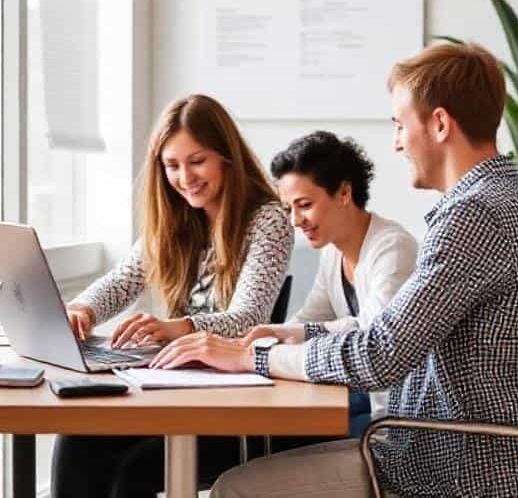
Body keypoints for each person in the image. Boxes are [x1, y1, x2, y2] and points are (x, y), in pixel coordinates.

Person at [161, 43, 518, 498]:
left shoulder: (474, 216)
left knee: (236, 488)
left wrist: (253, 357)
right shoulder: (498, 199)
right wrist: (294, 338)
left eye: (399, 124)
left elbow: (380, 354)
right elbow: (386, 333)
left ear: (440, 123)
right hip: (443, 449)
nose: (396, 142)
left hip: (453, 467)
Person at [51, 94, 294, 498]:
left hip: (236, 401)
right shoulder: (179, 217)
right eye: (172, 165)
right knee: (77, 440)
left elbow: (248, 318)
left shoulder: (267, 219)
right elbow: (123, 279)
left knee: (136, 468)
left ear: (226, 156)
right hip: (178, 385)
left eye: (197, 161)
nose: (185, 177)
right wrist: (84, 308)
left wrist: (173, 328)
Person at [245, 131, 417, 446]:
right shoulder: (332, 252)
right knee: (269, 434)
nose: (295, 220)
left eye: (305, 205)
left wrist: (296, 334)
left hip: (396, 416)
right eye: (289, 208)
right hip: (364, 397)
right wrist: (274, 333)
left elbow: (373, 335)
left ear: (343, 193)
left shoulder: (393, 248)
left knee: (279, 442)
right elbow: (309, 318)